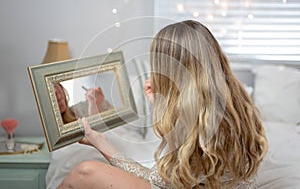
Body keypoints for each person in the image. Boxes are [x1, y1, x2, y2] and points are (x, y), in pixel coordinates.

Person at [57, 20, 268, 188]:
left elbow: (157, 181)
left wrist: (100, 142)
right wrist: (160, 106)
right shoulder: (235, 106)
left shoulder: (192, 119)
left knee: (86, 171)